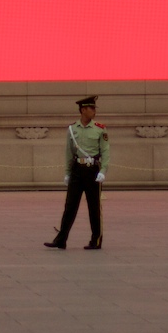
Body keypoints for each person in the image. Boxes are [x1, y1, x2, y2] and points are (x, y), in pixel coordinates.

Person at [44, 95, 109, 250]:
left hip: (92, 170)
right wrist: (67, 173)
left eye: (94, 108)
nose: (94, 111)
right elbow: (69, 152)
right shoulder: (72, 129)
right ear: (83, 110)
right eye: (91, 108)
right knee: (70, 206)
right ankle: (61, 239)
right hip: (77, 170)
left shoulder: (100, 128)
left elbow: (105, 151)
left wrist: (103, 170)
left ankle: (96, 240)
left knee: (94, 207)